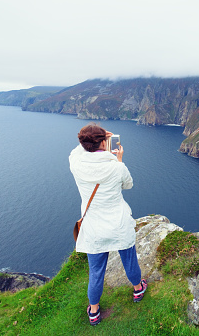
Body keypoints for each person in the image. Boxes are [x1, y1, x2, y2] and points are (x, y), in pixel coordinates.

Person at [69, 123, 147, 326]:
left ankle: (94, 311)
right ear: (104, 142)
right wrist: (119, 160)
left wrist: (91, 141)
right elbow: (128, 185)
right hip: (118, 225)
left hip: (94, 228)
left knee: (96, 272)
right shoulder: (115, 166)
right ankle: (138, 289)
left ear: (84, 144)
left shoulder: (76, 164)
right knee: (129, 260)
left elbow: (75, 152)